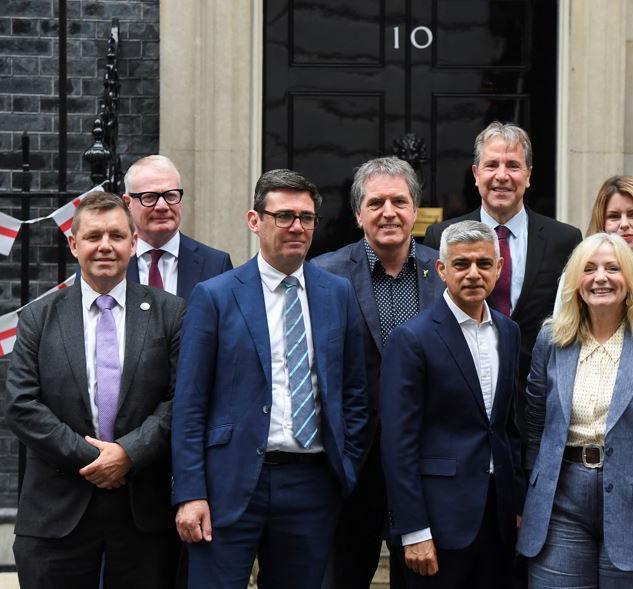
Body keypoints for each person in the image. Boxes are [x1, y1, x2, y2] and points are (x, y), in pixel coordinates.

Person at [171, 169, 369, 589]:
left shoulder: (337, 293)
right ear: (254, 220)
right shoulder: (216, 295)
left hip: (311, 484)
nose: (297, 227)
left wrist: (344, 468)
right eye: (283, 216)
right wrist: (190, 491)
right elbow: (189, 402)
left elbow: (354, 391)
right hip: (229, 482)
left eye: (306, 217)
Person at [5, 191, 186, 588]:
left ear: (133, 242)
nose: (105, 246)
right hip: (56, 515)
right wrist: (98, 459)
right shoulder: (38, 317)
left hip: (142, 514)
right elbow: (21, 405)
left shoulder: (170, 313)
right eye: (93, 236)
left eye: (117, 236)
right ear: (73, 244)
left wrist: (128, 453)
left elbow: (180, 400)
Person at [518, 232, 633, 588]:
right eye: (590, 269)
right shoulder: (551, 342)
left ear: (629, 281)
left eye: (613, 268)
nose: (600, 278)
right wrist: (529, 498)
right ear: (576, 282)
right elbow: (533, 427)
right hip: (560, 504)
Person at [313, 156, 444, 589]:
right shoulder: (325, 274)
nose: (388, 212)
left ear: (415, 209)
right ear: (357, 214)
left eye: (399, 201)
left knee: (421, 578)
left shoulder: (443, 273)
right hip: (353, 461)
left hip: (425, 460)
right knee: (343, 575)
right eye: (376, 203)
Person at [381, 220, 523, 588]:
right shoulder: (411, 338)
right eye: (461, 264)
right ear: (442, 270)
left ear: (499, 268)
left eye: (483, 263)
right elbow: (398, 445)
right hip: (439, 523)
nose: (474, 273)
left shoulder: (509, 332)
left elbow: (509, 428)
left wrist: (517, 503)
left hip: (499, 520)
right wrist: (413, 530)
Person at [423, 121, 582, 432]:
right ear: (475, 174)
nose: (502, 176)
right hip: (459, 406)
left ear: (529, 175)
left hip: (539, 405)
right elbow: (433, 315)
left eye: (513, 165)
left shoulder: (564, 239)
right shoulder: (440, 236)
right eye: (492, 164)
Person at [554, 175, 633, 324]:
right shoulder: (574, 277)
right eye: (614, 216)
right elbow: (561, 335)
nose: (624, 224)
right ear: (601, 224)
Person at [124, 155, 233, 301]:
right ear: (127, 203)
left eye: (170, 196)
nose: (162, 206)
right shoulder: (111, 262)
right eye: (149, 197)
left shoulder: (215, 265)